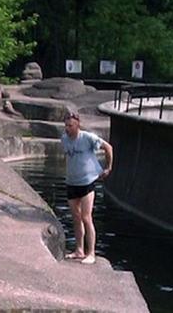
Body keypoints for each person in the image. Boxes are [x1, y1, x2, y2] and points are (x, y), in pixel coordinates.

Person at [61, 112, 113, 265]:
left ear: (77, 125)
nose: (67, 129)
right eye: (66, 125)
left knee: (86, 217)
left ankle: (91, 253)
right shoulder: (64, 139)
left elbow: (108, 148)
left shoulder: (88, 138)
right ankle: (79, 249)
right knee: (76, 218)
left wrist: (108, 168)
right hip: (72, 182)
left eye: (70, 126)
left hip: (87, 182)